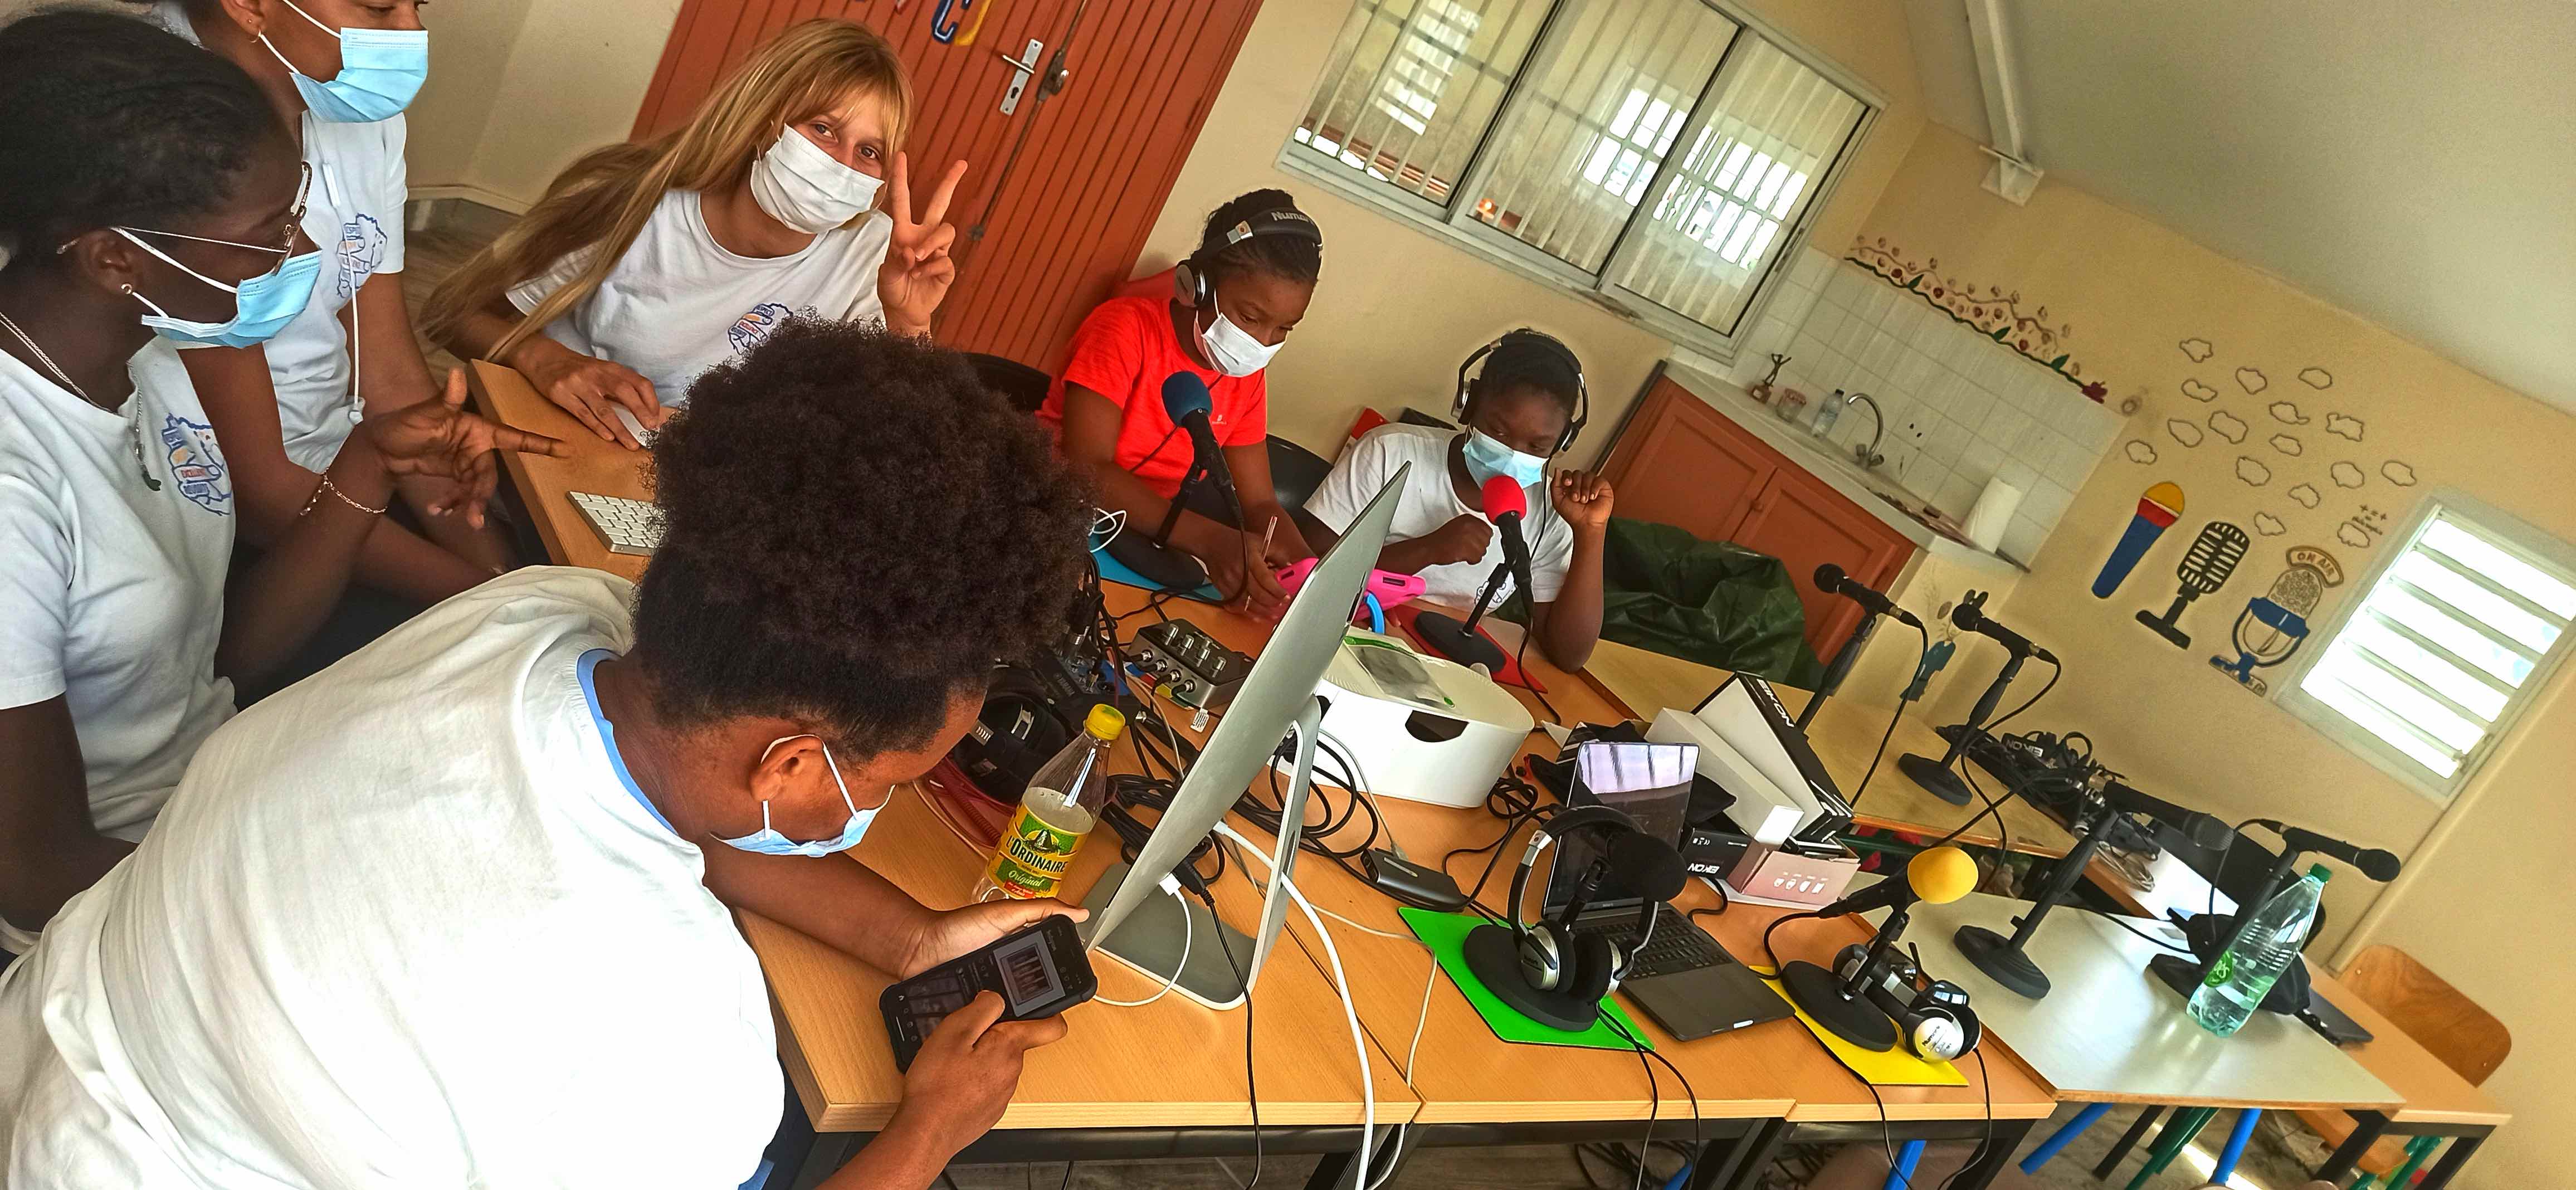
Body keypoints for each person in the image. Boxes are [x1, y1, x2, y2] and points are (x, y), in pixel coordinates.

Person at [0, 319, 1094, 1186]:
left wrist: (913, 938)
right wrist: (926, 1133)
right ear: (791, 768)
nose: (874, 807)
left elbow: (668, 797)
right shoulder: (672, 1031)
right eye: (890, 783)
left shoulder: (535, 615)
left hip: (53, 1051)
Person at [0, 9, 560, 956]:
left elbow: (222, 664)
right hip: (110, 906)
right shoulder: (16, 491)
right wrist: (320, 901)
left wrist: (367, 462)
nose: (302, 254)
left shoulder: (155, 375)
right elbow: (37, 875)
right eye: (269, 231)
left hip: (208, 792)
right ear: (116, 257)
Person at [424, 17, 964, 450]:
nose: (842, 164)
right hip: (548, 455)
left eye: (868, 151)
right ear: (763, 121)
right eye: (823, 129)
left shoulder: (871, 251)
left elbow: (893, 434)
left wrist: (909, 322)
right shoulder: (632, 200)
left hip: (693, 500)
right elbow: (450, 313)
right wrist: (544, 358)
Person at [142, 0, 520, 598]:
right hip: (209, 521)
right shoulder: (165, 138)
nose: (412, 34)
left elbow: (389, 375)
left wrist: (505, 576)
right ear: (249, 6)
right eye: (380, 8)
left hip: (351, 473)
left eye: (417, 7)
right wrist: (498, 601)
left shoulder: (358, 117)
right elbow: (261, 492)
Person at [1041, 188, 1321, 612]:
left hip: (1138, 537)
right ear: (1199, 286)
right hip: (1050, 512)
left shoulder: (1247, 379)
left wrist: (1311, 576)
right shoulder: (1123, 329)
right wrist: (1210, 540)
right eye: (1250, 317)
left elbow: (1261, 503)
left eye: (1284, 329)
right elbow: (1088, 468)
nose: (1263, 342)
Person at [1303, 329, 1616, 670]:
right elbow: (1309, 571)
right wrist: (1428, 550)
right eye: (1498, 431)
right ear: (1469, 405)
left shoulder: (1550, 511)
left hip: (1446, 666)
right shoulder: (1389, 452)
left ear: (1561, 443)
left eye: (1537, 447)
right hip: (1348, 637)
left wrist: (1591, 532)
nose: (1513, 454)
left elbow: (1569, 655)